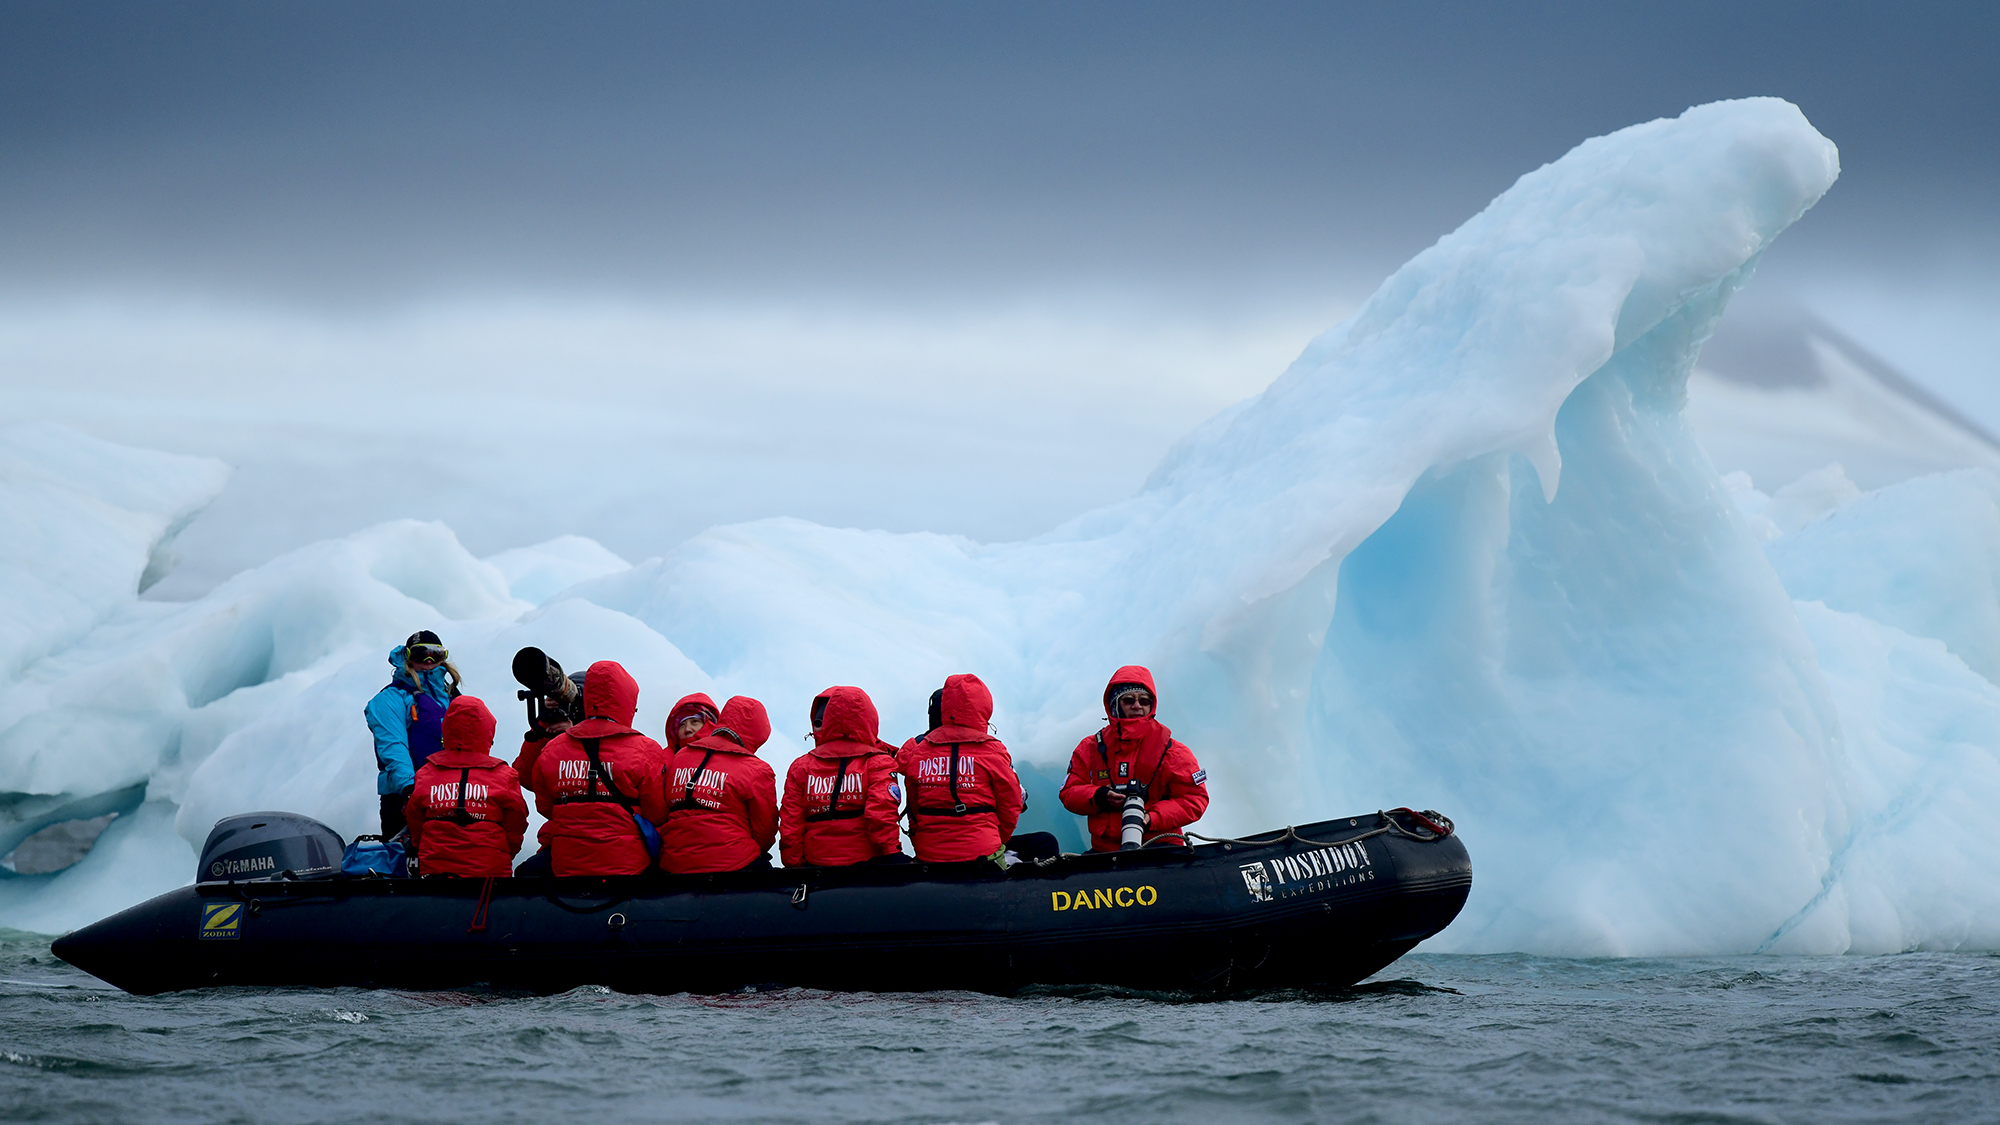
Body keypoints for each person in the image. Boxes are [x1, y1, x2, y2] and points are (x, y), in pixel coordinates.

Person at [528, 660, 669, 876]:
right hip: (628, 869)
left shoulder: (553, 749)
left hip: (568, 866)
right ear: (627, 700)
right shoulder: (646, 749)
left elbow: (545, 806)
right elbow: (657, 812)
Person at [1059, 665, 1209, 852]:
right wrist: (1099, 796)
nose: (1137, 705)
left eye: (1144, 701)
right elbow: (1069, 792)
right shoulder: (1090, 748)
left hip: (1161, 848)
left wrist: (1151, 817)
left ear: (1151, 705)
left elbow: (1195, 799)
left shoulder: (1173, 752)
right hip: (1105, 851)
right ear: (1115, 704)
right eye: (1128, 700)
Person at [896, 673, 1023, 864]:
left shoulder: (919, 751)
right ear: (984, 707)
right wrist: (995, 838)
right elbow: (1011, 804)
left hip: (930, 855)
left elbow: (914, 808)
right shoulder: (993, 750)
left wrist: (924, 843)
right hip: (983, 852)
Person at [404, 696, 529, 877]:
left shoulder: (427, 773)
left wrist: (425, 847)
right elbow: (516, 822)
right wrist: (504, 852)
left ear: (447, 728)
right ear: (487, 731)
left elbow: (415, 821)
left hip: (436, 871)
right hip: (490, 870)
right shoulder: (503, 774)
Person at [779, 686, 905, 867]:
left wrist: (794, 866)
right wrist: (892, 853)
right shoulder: (878, 762)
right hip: (867, 869)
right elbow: (880, 814)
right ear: (869, 717)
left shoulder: (801, 766)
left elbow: (791, 823)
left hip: (815, 869)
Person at [658, 695, 779, 874]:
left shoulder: (680, 757)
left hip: (673, 862)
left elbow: (661, 809)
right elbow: (764, 832)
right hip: (733, 862)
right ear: (758, 734)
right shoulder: (757, 768)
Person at [363, 630, 462, 837]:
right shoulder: (390, 699)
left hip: (450, 795)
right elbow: (393, 746)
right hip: (406, 798)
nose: (428, 661)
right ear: (408, 658)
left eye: (435, 655)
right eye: (420, 655)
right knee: (409, 866)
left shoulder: (452, 697)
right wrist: (410, 789)